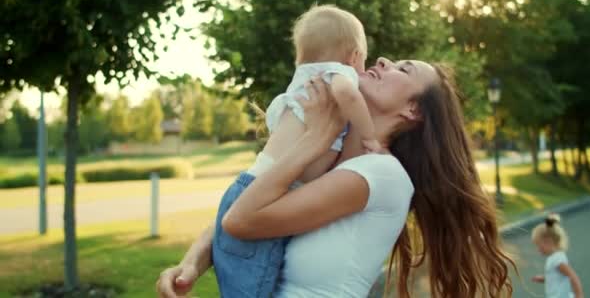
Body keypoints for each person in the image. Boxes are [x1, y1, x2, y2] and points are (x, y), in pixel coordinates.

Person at [157, 58, 515, 298]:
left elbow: (240, 220)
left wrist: (316, 136)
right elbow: (247, 205)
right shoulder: (328, 165)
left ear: (413, 110)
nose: (382, 61)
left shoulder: (381, 175)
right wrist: (192, 263)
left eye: (402, 69)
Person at [212, 5, 381, 297]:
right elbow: (347, 95)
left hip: (250, 187)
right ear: (354, 56)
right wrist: (370, 136)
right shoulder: (338, 74)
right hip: (267, 195)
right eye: (363, 61)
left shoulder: (303, 82)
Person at [531, 213, 584, 298]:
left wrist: (579, 295)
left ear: (548, 241)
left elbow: (573, 276)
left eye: (538, 245)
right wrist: (544, 278)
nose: (538, 249)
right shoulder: (553, 257)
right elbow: (556, 277)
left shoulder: (557, 259)